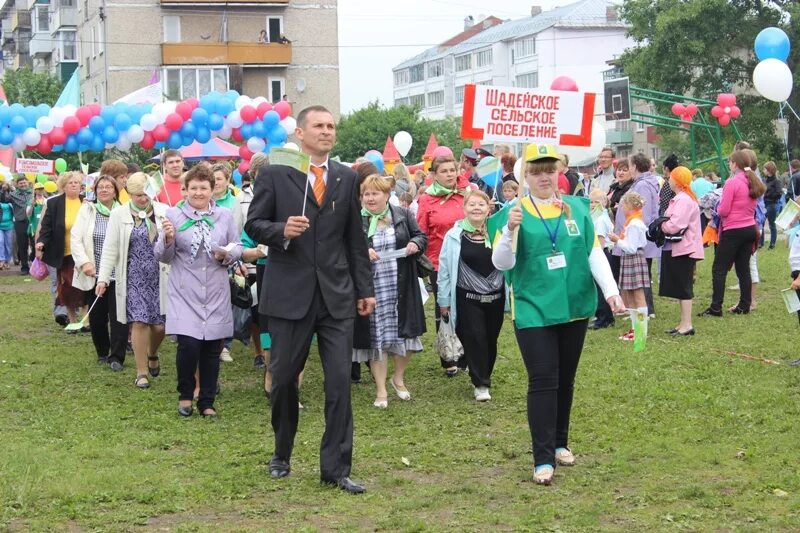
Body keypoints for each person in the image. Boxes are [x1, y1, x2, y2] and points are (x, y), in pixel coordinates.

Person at [244, 105, 374, 494]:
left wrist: (364, 289)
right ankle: (282, 452)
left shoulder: (346, 176)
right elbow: (253, 223)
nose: (327, 131)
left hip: (336, 297)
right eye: (319, 125)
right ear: (300, 133)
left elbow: (354, 240)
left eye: (332, 126)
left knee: (339, 383)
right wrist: (282, 229)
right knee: (283, 379)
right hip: (289, 295)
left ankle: (335, 468)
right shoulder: (275, 173)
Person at [490, 143, 622, 485]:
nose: (543, 177)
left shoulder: (577, 209)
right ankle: (542, 457)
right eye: (535, 171)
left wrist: (611, 292)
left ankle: (561, 442)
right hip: (533, 309)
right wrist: (509, 232)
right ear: (525, 176)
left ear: (559, 172)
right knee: (543, 379)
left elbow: (593, 252)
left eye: (549, 170)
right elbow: (501, 264)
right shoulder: (510, 213)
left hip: (574, 306)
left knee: (566, 379)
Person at [154, 164, 242, 417]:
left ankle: (207, 401)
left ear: (212, 190)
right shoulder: (173, 214)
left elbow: (236, 245)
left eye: (204, 188)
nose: (199, 193)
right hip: (185, 288)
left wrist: (227, 253)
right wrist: (168, 239)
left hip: (215, 288)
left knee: (212, 347)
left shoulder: (224, 215)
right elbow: (162, 256)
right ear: (185, 190)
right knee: (189, 344)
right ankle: (185, 393)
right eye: (193, 188)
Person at [354, 174, 427, 408]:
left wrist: (415, 244)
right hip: (372, 289)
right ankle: (381, 389)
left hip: (401, 285)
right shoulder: (357, 220)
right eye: (366, 194)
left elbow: (420, 236)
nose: (370, 198)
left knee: (406, 335)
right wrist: (363, 250)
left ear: (387, 195)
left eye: (375, 193)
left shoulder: (403, 214)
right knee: (378, 340)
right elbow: (346, 248)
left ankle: (398, 378)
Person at [96, 173, 169, 389]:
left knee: (159, 326)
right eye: (138, 195)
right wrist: (103, 279)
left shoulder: (163, 211)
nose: (142, 199)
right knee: (139, 322)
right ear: (129, 194)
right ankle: (141, 372)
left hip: (159, 275)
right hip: (133, 276)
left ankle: (152, 353)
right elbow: (110, 249)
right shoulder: (119, 214)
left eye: (146, 194)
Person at [439, 190, 504, 401]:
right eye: (472, 204)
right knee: (475, 337)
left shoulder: (499, 232)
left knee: (490, 339)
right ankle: (481, 383)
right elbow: (445, 270)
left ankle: (484, 371)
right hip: (467, 298)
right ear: (464, 208)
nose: (476, 208)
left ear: (488, 208)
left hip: (495, 297)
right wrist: (443, 300)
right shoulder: (454, 235)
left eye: (481, 204)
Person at [416, 154, 468, 375]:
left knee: (467, 307)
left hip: (466, 259)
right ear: (434, 175)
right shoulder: (426, 200)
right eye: (444, 171)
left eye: (452, 170)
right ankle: (449, 357)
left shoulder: (465, 195)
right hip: (439, 263)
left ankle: (466, 354)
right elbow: (420, 232)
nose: (449, 174)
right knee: (444, 307)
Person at [698, 149, 765, 317]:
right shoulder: (752, 181)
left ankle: (716, 307)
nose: (729, 165)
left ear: (735, 164)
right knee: (743, 269)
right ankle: (744, 304)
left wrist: (716, 208)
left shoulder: (732, 183)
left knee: (719, 268)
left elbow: (724, 210)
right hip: (750, 228)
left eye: (730, 162)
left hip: (733, 230)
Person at [70, 175, 127, 368]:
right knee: (97, 316)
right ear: (95, 191)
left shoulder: (123, 211)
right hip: (94, 273)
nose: (104, 190)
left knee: (119, 316)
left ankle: (117, 356)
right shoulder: (88, 209)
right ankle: (102, 351)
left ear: (115, 191)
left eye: (108, 187)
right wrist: (84, 263)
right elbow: (76, 238)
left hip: (118, 273)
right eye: (100, 187)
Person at [36, 172, 85, 326]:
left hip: (84, 252)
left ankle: (86, 321)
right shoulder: (54, 203)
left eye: (76, 182)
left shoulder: (87, 202)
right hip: (63, 252)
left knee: (85, 285)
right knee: (67, 286)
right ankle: (71, 320)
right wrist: (41, 242)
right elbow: (46, 227)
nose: (74, 185)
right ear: (63, 186)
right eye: (70, 183)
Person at [659, 167, 704, 336]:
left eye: (671, 178)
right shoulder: (682, 198)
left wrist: (661, 225)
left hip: (683, 249)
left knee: (684, 287)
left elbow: (676, 224)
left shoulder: (683, 200)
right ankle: (683, 323)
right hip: (680, 248)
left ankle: (687, 325)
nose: (668, 180)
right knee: (681, 287)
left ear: (677, 181)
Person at [616, 153, 660, 317]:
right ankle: (641, 311)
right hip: (636, 238)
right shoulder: (642, 183)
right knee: (641, 279)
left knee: (640, 281)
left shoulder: (642, 186)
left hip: (638, 240)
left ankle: (645, 311)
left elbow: (645, 214)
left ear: (634, 166)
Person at [608, 192, 649, 341]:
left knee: (638, 296)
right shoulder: (633, 221)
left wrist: (616, 240)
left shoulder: (634, 224)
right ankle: (634, 328)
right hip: (630, 259)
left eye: (623, 205)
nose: (621, 208)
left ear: (629, 206)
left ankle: (641, 332)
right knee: (631, 296)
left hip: (633, 258)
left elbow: (631, 247)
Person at [587, 189, 615, 330]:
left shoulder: (601, 220)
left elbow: (600, 242)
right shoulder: (596, 217)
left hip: (603, 253)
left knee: (600, 287)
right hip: (602, 252)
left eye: (596, 202)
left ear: (604, 202)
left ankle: (604, 318)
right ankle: (603, 316)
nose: (592, 205)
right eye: (591, 202)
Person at [0, 175, 32, 274]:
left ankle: (36, 266)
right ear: (17, 185)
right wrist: (3, 190)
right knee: (22, 246)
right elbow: (3, 199)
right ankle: (25, 268)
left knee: (36, 245)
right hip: (20, 222)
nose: (23, 184)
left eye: (24, 182)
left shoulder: (34, 193)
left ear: (28, 182)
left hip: (33, 222)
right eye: (20, 183)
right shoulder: (13, 195)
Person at [761, 161, 782, 250]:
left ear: (769, 170)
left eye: (765, 169)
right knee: (761, 223)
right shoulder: (764, 180)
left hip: (771, 204)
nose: (763, 171)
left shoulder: (776, 181)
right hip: (764, 204)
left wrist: (768, 195)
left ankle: (772, 244)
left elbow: (779, 193)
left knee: (771, 225)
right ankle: (760, 243)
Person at [0, 186, 12, 270]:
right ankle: (2, 260)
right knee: (0, 241)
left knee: (8, 244)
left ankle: (7, 261)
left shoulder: (11, 203)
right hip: (0, 225)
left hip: (9, 225)